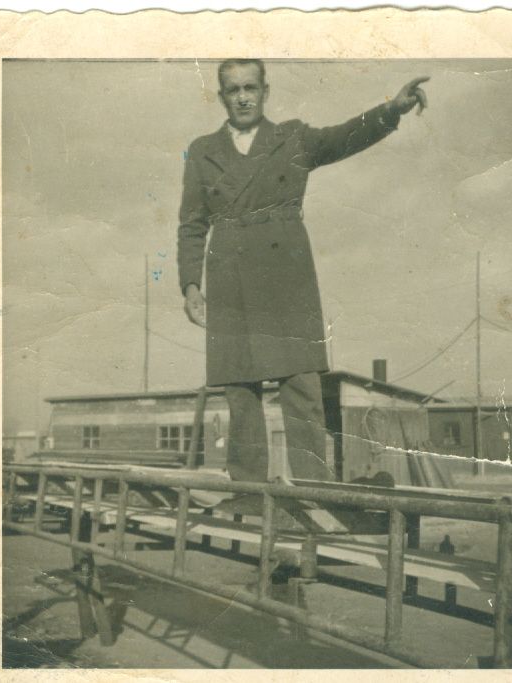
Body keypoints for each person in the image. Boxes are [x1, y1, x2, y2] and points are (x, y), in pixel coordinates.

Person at [178, 59, 429, 483]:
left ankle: (315, 490)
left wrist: (391, 110)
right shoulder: (203, 151)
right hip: (229, 274)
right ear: (220, 96)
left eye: (250, 87)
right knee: (239, 391)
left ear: (265, 92)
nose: (243, 97)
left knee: (302, 387)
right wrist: (190, 285)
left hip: (286, 273)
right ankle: (248, 491)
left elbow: (344, 137)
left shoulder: (291, 138)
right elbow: (191, 224)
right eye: (234, 89)